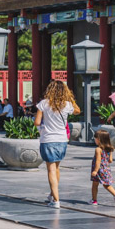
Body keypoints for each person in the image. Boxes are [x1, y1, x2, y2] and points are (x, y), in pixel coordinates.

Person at [35, 80, 80, 208]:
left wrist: (43, 125)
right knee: (56, 168)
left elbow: (37, 122)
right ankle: (52, 194)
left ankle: (56, 200)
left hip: (48, 139)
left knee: (51, 169)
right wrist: (70, 98)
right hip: (62, 140)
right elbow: (78, 110)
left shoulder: (43, 104)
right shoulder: (67, 105)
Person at [91, 129, 115, 207]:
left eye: (95, 138)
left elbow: (98, 161)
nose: (95, 140)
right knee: (106, 184)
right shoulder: (109, 149)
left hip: (99, 170)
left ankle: (94, 200)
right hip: (106, 169)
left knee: (95, 185)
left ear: (99, 139)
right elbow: (110, 160)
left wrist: (95, 171)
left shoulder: (98, 149)